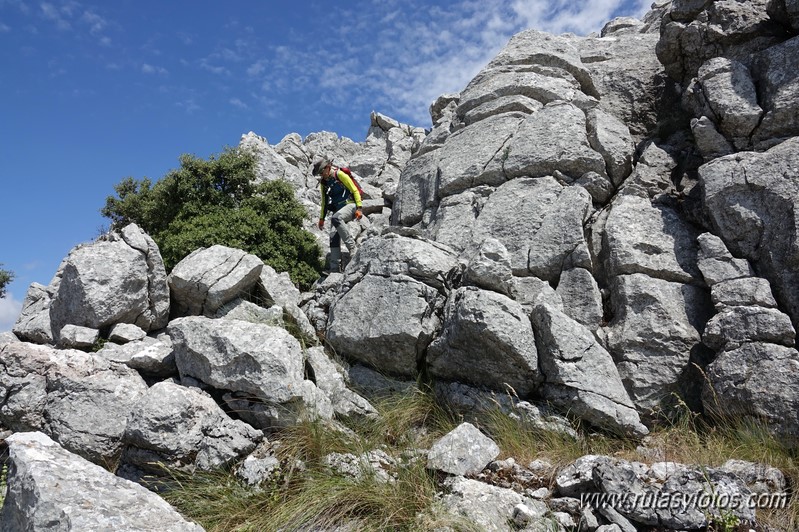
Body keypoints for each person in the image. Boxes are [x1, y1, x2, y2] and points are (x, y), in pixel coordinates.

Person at [313, 158, 363, 272]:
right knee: (332, 236)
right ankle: (334, 268)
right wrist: (322, 219)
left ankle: (352, 248)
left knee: (336, 218)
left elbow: (354, 190)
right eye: (319, 174)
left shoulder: (339, 174)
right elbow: (324, 202)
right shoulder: (324, 183)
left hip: (350, 205)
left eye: (322, 172)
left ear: (328, 167)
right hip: (338, 209)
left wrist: (359, 208)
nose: (321, 175)